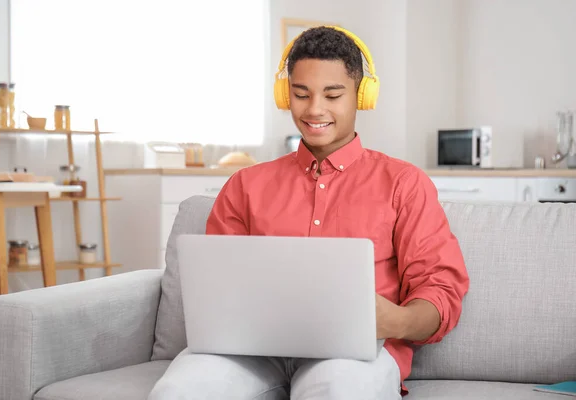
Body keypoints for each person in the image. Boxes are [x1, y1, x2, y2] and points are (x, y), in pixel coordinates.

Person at [148, 26, 469, 400]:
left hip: (353, 356)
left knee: (338, 392)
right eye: (301, 94)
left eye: (333, 94)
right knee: (178, 392)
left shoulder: (403, 184)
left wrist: (395, 319)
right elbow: (215, 287)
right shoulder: (244, 185)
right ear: (286, 95)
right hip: (250, 352)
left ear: (362, 96)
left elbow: (441, 290)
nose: (315, 109)